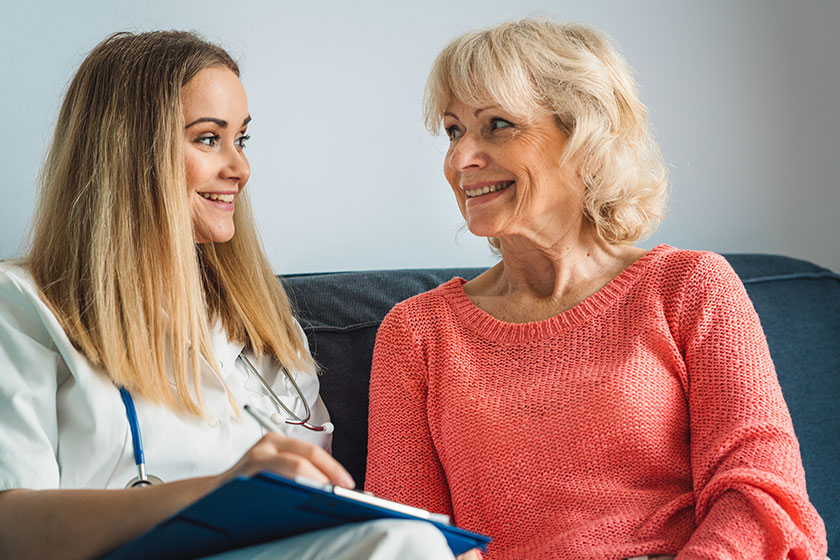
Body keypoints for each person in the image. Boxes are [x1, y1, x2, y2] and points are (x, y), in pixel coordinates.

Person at [365, 19, 828, 560]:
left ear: (585, 137)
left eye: (497, 125)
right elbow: (404, 537)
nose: (461, 158)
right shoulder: (417, 332)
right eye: (453, 131)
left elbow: (761, 492)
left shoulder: (688, 286)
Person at [0, 31, 454, 560]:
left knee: (416, 542)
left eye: (241, 138)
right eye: (208, 138)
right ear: (127, 153)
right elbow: (10, 529)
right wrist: (217, 491)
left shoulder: (261, 325)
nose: (240, 169)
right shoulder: (23, 306)